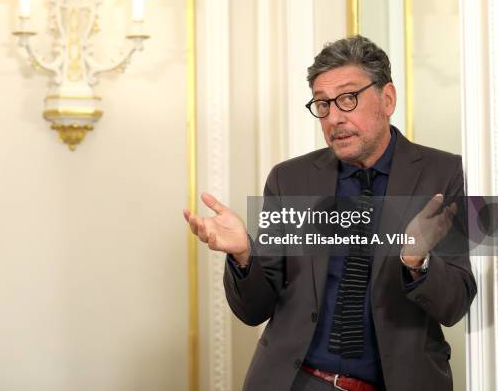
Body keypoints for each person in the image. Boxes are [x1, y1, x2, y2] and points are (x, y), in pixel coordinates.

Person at [183, 35, 476, 390]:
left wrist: (417, 261)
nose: (334, 117)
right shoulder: (290, 179)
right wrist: (244, 255)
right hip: (296, 382)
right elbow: (254, 310)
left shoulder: (442, 174)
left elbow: (455, 303)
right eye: (322, 104)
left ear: (387, 99)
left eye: (348, 99)